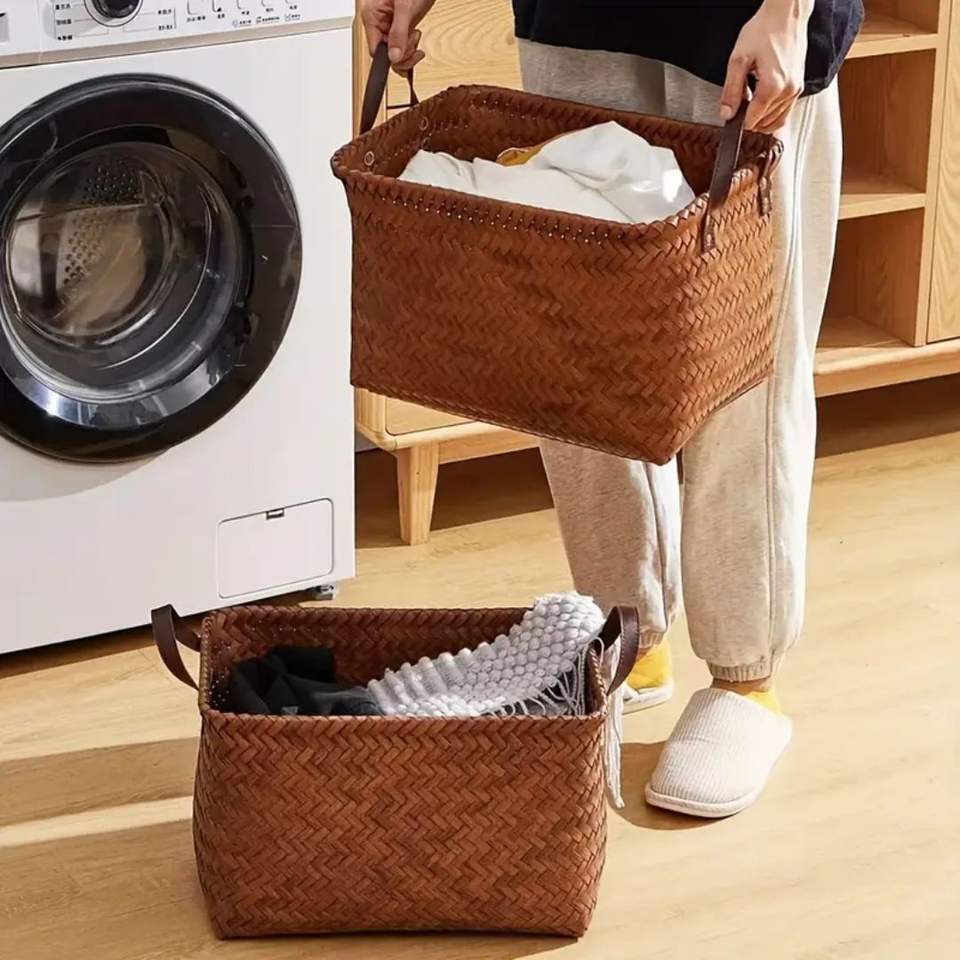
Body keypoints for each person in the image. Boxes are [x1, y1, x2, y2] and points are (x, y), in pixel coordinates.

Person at [359, 0, 863, 818]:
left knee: (743, 361)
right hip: (579, 15)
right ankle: (629, 628)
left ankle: (746, 680)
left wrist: (786, 12)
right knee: (579, 340)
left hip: (744, 24)